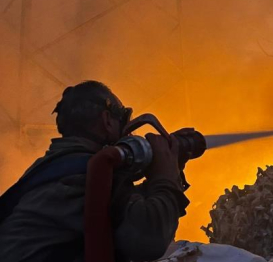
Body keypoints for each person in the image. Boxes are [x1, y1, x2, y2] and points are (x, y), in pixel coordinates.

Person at [0, 81, 190, 262]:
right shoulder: (83, 173)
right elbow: (148, 239)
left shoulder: (56, 168)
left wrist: (168, 173)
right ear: (107, 121)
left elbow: (119, 211)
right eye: (123, 120)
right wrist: (165, 176)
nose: (129, 132)